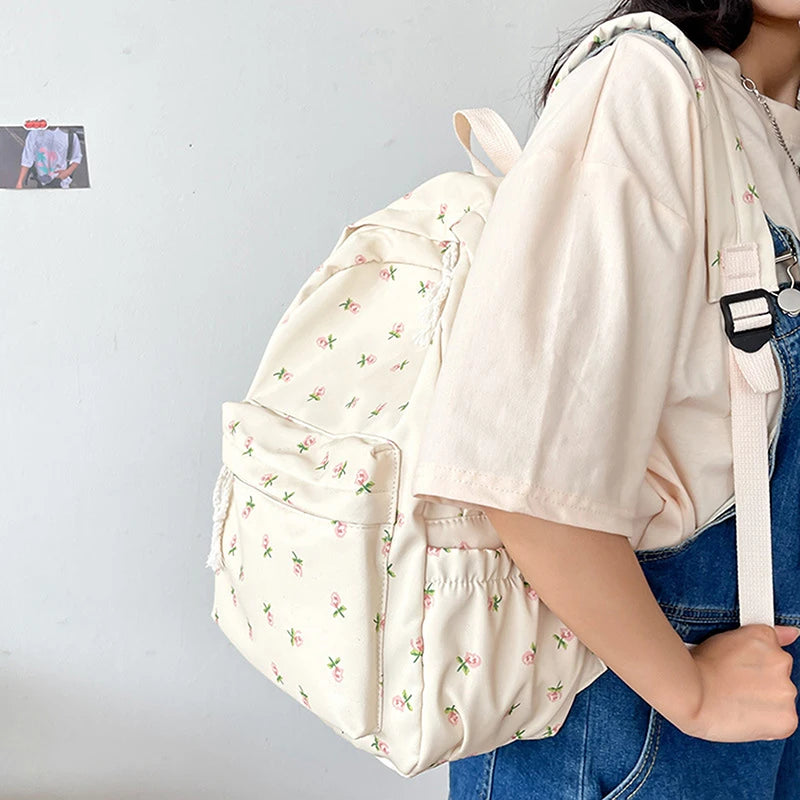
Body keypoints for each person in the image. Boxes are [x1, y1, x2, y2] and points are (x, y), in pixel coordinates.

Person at [409, 1, 800, 797]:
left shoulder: (775, 124)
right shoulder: (646, 84)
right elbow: (517, 470)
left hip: (758, 696)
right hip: (634, 724)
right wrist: (691, 691)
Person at [15, 125, 83, 189]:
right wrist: (19, 182)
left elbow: (77, 157)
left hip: (61, 183)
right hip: (40, 181)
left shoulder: (70, 135)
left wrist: (67, 172)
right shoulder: (34, 133)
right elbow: (27, 158)